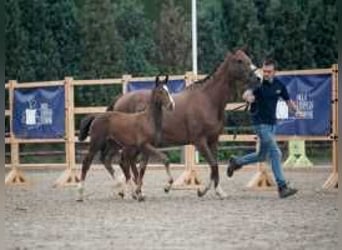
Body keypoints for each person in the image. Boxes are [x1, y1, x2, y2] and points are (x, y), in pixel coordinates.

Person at [226, 59, 302, 198]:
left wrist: (297, 111)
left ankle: (236, 162)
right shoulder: (258, 83)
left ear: (275, 72)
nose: (266, 74)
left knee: (261, 156)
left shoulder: (280, 85)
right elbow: (246, 94)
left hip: (272, 125)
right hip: (260, 124)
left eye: (269, 71)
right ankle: (282, 187)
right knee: (276, 153)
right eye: (264, 71)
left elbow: (288, 102)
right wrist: (249, 98)